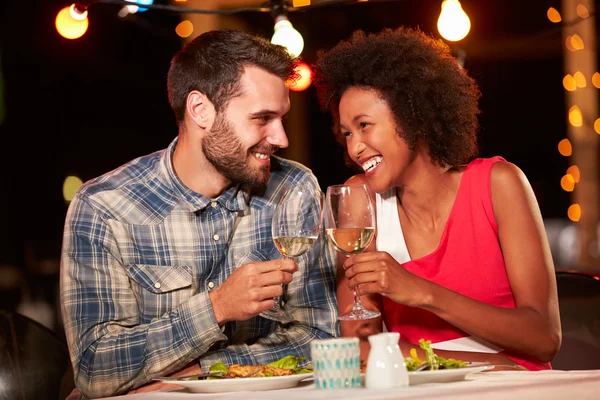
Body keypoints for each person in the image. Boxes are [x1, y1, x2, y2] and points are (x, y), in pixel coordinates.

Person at [60, 29, 338, 399]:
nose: (281, 138)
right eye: (262, 118)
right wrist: (217, 307)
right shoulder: (104, 206)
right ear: (200, 110)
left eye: (282, 118)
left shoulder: (293, 189)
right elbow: (95, 368)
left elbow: (321, 336)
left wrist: (207, 372)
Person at [313, 27, 561, 371]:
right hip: (430, 387)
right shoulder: (360, 199)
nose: (354, 147)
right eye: (347, 133)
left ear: (413, 118)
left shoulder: (498, 184)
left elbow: (544, 338)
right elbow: (361, 349)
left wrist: (422, 292)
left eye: (365, 125)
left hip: (519, 388)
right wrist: (484, 364)